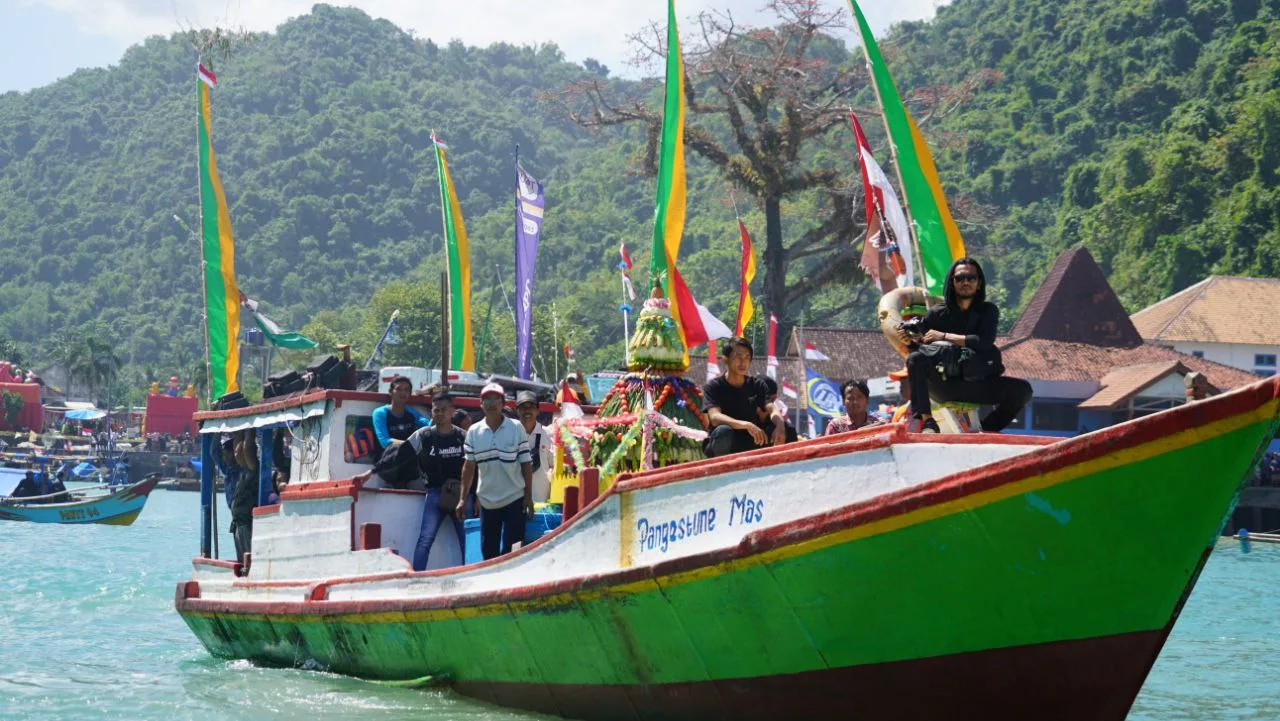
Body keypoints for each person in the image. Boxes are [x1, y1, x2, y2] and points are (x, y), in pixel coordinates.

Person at [898, 257, 1032, 434]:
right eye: (960, 278)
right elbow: (917, 344)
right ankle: (927, 420)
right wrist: (908, 335)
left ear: (979, 283)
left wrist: (945, 336)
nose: (965, 282)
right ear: (952, 283)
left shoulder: (988, 311)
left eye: (971, 278)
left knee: (1022, 390)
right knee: (915, 359)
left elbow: (984, 342)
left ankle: (987, 429)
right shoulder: (938, 313)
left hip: (977, 384)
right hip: (945, 385)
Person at [456, 383, 533, 560]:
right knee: (488, 553)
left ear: (503, 403)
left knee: (514, 551)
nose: (491, 403)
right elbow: (468, 467)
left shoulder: (516, 427)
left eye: (496, 399)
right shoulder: (474, 432)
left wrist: (528, 496)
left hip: (514, 498)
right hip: (487, 501)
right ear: (481, 404)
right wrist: (462, 499)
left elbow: (526, 464)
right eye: (487, 399)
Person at [702, 336, 796, 457]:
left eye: (747, 357)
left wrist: (780, 426)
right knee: (723, 432)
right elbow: (715, 417)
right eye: (738, 357)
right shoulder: (713, 386)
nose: (743, 362)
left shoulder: (757, 385)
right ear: (725, 359)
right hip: (726, 442)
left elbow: (772, 409)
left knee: (787, 429)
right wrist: (746, 425)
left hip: (752, 440)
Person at [409, 393, 467, 571]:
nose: (440, 413)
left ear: (452, 411)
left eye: (444, 410)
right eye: (436, 410)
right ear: (432, 413)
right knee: (425, 539)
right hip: (435, 493)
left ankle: (473, 574)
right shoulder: (423, 435)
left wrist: (474, 496)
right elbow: (400, 455)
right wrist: (373, 472)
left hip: (462, 495)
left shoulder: (463, 436)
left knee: (468, 539)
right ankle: (417, 578)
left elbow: (476, 468)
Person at [371, 375, 430, 450]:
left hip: (409, 458)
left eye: (406, 390)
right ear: (390, 392)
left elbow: (429, 426)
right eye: (399, 389)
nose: (403, 393)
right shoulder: (380, 413)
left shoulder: (411, 412)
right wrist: (411, 445)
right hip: (387, 458)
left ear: (410, 393)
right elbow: (385, 442)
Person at [515, 391, 553, 504]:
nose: (527, 411)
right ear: (517, 410)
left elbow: (555, 464)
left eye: (531, 406)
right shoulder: (510, 435)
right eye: (523, 407)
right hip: (515, 503)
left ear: (537, 410)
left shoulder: (548, 433)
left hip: (543, 503)